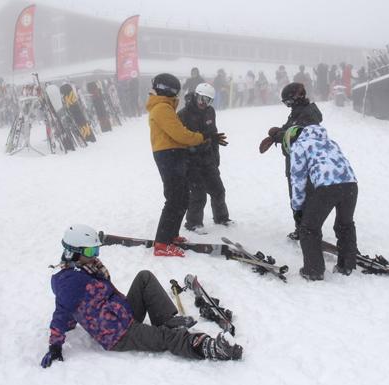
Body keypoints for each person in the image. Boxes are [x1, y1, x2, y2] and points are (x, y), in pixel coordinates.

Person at [40, 225, 243, 368]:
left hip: (123, 314)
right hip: (117, 335)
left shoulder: (85, 268)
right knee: (166, 338)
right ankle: (211, 348)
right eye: (91, 250)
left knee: (144, 277)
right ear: (74, 252)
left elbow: (71, 311)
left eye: (96, 249)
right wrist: (55, 346)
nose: (96, 255)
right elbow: (61, 311)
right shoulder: (70, 282)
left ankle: (167, 319)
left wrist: (72, 322)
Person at [147, 73, 227, 257]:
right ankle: (162, 242)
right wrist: (204, 137)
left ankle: (171, 235)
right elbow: (181, 135)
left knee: (182, 197)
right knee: (174, 199)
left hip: (175, 153)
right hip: (168, 155)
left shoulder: (165, 107)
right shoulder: (162, 109)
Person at [283, 125, 360, 281]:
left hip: (327, 187)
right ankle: (347, 266)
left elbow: (298, 180)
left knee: (309, 228)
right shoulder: (330, 142)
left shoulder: (300, 145)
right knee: (345, 224)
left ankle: (313, 271)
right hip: (351, 185)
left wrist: (298, 208)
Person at [258, 82, 322, 240]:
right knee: (296, 196)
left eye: (288, 102)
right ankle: (301, 228)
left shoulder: (308, 113)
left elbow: (295, 133)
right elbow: (289, 128)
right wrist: (278, 132)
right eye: (285, 103)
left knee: (302, 196)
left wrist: (277, 136)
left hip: (302, 162)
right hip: (294, 161)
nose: (287, 105)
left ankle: (307, 230)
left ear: (298, 97)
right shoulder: (297, 111)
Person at [178, 83, 231, 232]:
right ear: (195, 96)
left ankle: (221, 218)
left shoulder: (210, 112)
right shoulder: (183, 114)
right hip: (191, 160)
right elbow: (179, 139)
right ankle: (193, 223)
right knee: (198, 193)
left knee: (218, 190)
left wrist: (215, 156)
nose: (203, 103)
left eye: (207, 100)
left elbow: (214, 135)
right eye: (201, 98)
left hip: (207, 158)